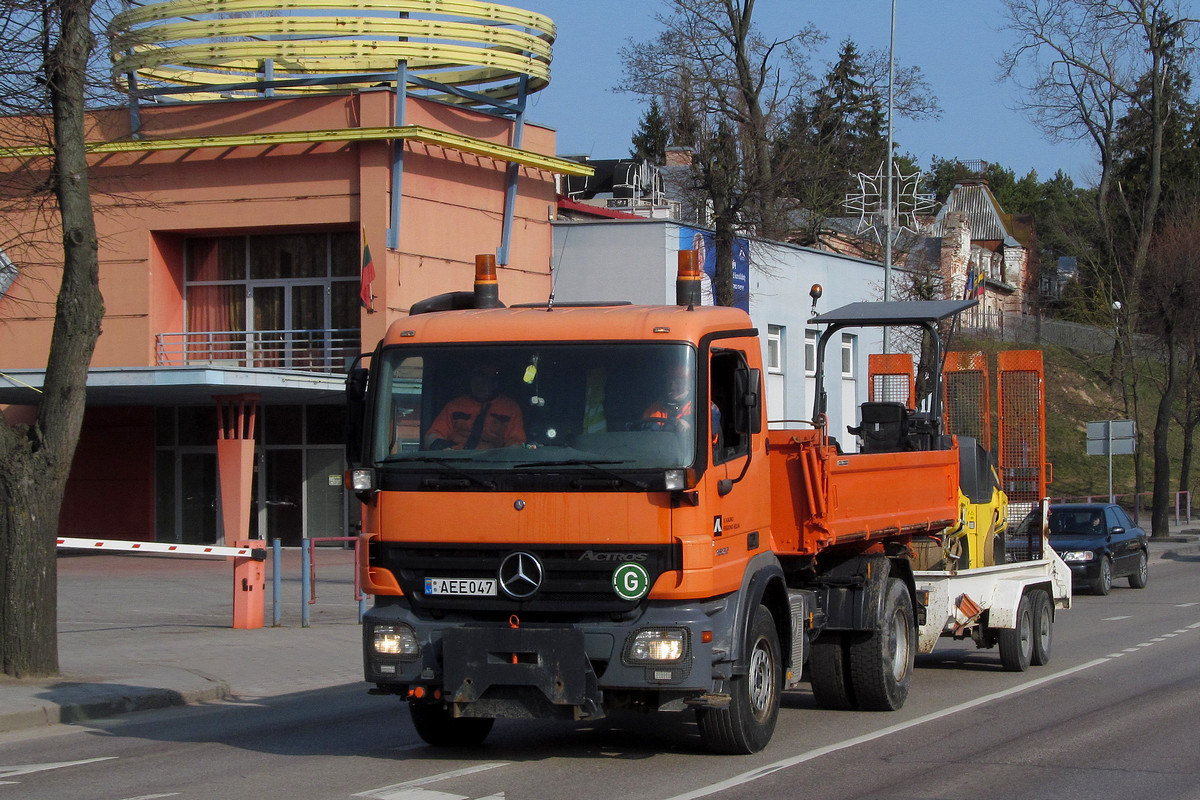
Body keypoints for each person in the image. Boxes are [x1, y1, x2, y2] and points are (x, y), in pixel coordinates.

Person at [425, 364, 525, 450]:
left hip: (494, 464)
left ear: (495, 383)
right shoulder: (454, 405)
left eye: (486, 382)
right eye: (477, 382)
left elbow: (516, 441)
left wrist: (506, 459)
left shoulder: (510, 408)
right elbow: (433, 434)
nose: (481, 386)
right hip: (453, 461)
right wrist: (441, 448)